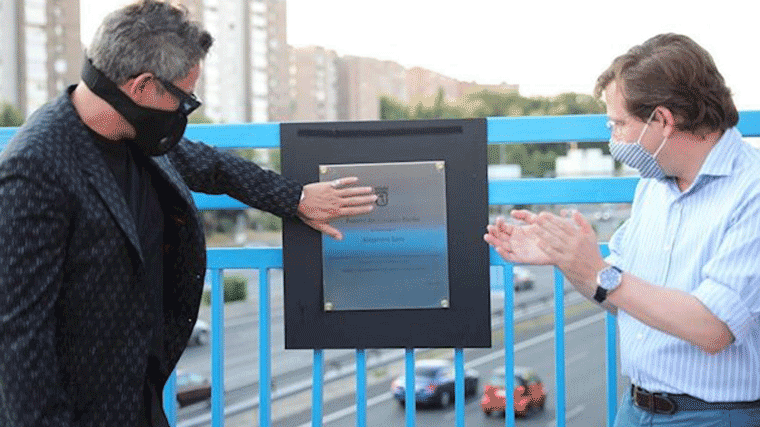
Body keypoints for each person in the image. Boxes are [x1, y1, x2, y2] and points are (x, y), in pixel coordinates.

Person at [0, 1, 377, 426]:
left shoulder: (133, 135)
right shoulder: (34, 170)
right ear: (143, 87)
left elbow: (214, 167)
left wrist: (296, 199)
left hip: (141, 396)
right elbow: (18, 338)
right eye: (183, 97)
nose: (183, 111)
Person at [485, 33, 760, 426]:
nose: (614, 137)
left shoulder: (753, 190)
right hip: (635, 409)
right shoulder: (654, 184)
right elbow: (616, 296)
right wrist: (569, 262)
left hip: (712, 417)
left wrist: (599, 271)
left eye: (618, 124)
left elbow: (713, 327)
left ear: (663, 120)